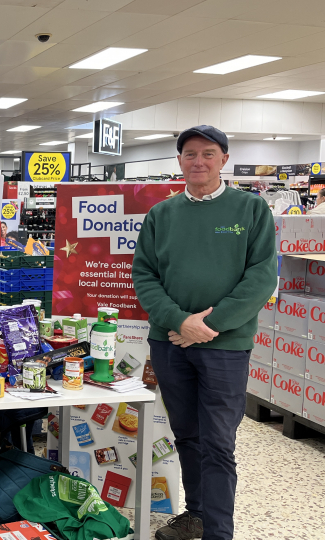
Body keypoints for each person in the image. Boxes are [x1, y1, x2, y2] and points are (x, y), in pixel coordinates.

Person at [132, 125, 277, 540]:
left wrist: (207, 326)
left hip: (225, 346)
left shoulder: (250, 210)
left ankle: (217, 532)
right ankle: (195, 516)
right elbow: (144, 275)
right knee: (188, 435)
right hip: (171, 343)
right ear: (179, 161)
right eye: (190, 154)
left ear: (224, 160)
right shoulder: (162, 213)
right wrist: (180, 322)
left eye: (208, 154)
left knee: (217, 442)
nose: (198, 161)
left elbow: (261, 277)